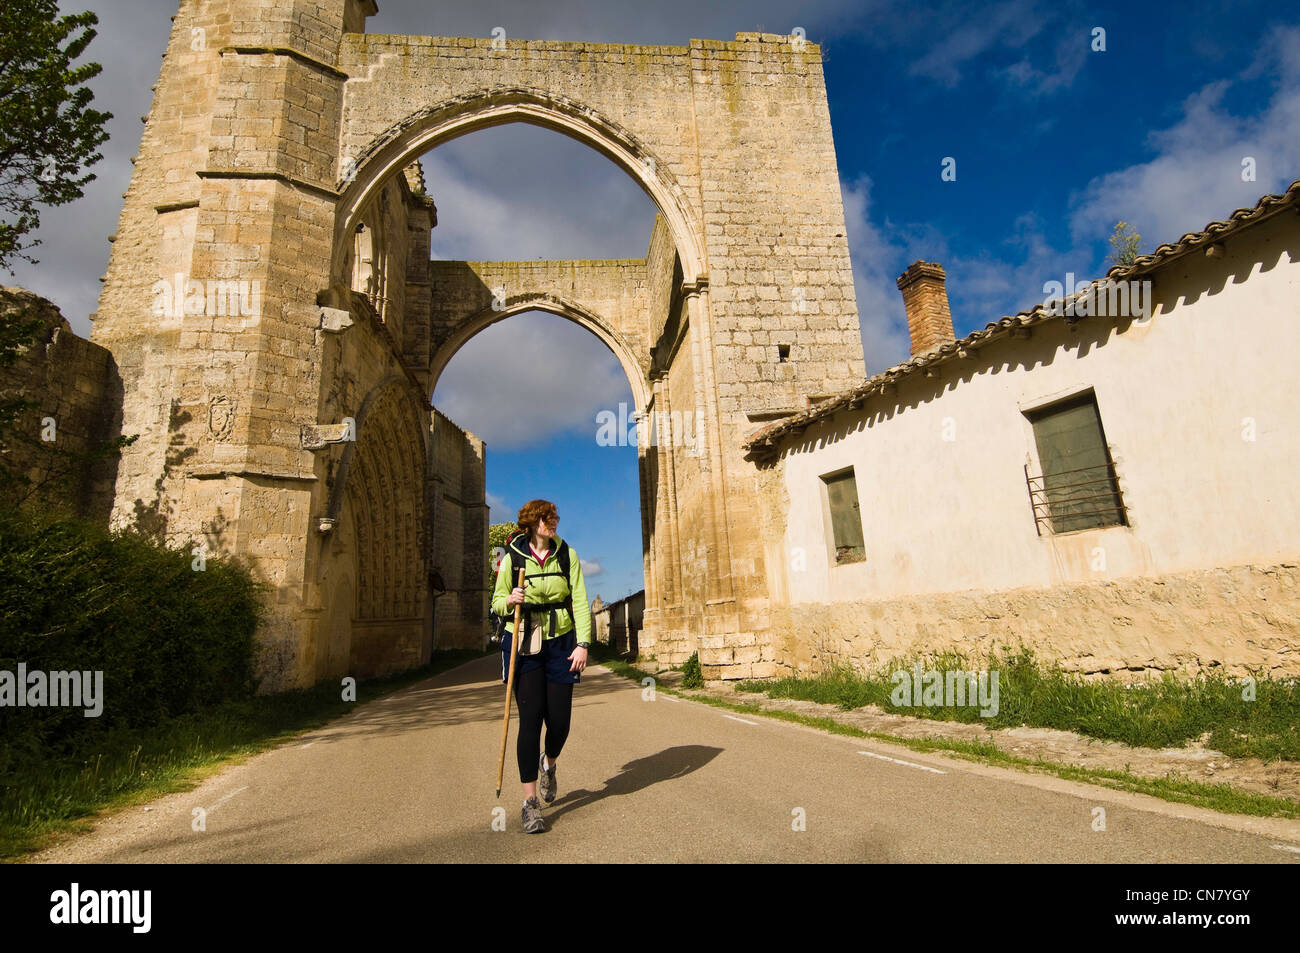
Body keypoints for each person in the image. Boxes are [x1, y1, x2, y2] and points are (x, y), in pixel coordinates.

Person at [492, 499, 592, 834]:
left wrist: (583, 643)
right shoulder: (512, 557)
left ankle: (549, 764)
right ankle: (529, 803)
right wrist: (509, 600)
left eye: (554, 518)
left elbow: (579, 598)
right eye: (547, 519)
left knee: (560, 723)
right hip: (524, 642)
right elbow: (496, 602)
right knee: (531, 720)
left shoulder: (568, 555)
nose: (553, 523)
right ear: (533, 523)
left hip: (562, 642)